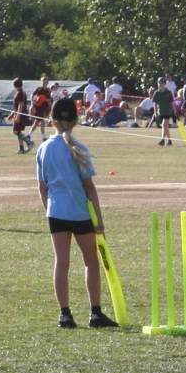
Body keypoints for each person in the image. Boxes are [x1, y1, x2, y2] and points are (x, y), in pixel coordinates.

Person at [36, 96, 117, 329]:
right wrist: (99, 221)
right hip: (80, 213)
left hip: (56, 212)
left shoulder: (43, 148)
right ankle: (95, 312)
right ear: (76, 120)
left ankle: (65, 314)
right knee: (90, 261)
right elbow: (89, 188)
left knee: (61, 262)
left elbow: (42, 187)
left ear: (52, 120)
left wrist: (49, 211)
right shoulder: (80, 149)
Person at [9, 77, 33, 153]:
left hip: (20, 115)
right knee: (18, 131)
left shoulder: (20, 93)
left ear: (14, 85)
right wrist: (12, 114)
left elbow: (20, 105)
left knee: (15, 131)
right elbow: (16, 106)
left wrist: (18, 116)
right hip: (19, 114)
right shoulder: (20, 92)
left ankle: (29, 142)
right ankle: (21, 149)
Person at [152, 76, 177, 146]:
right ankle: (169, 141)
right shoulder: (156, 93)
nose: (160, 84)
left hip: (168, 111)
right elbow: (155, 104)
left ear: (165, 84)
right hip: (161, 112)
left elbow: (172, 102)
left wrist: (174, 110)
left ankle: (162, 140)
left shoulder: (168, 92)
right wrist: (155, 112)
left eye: (162, 83)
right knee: (165, 126)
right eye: (159, 83)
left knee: (164, 124)